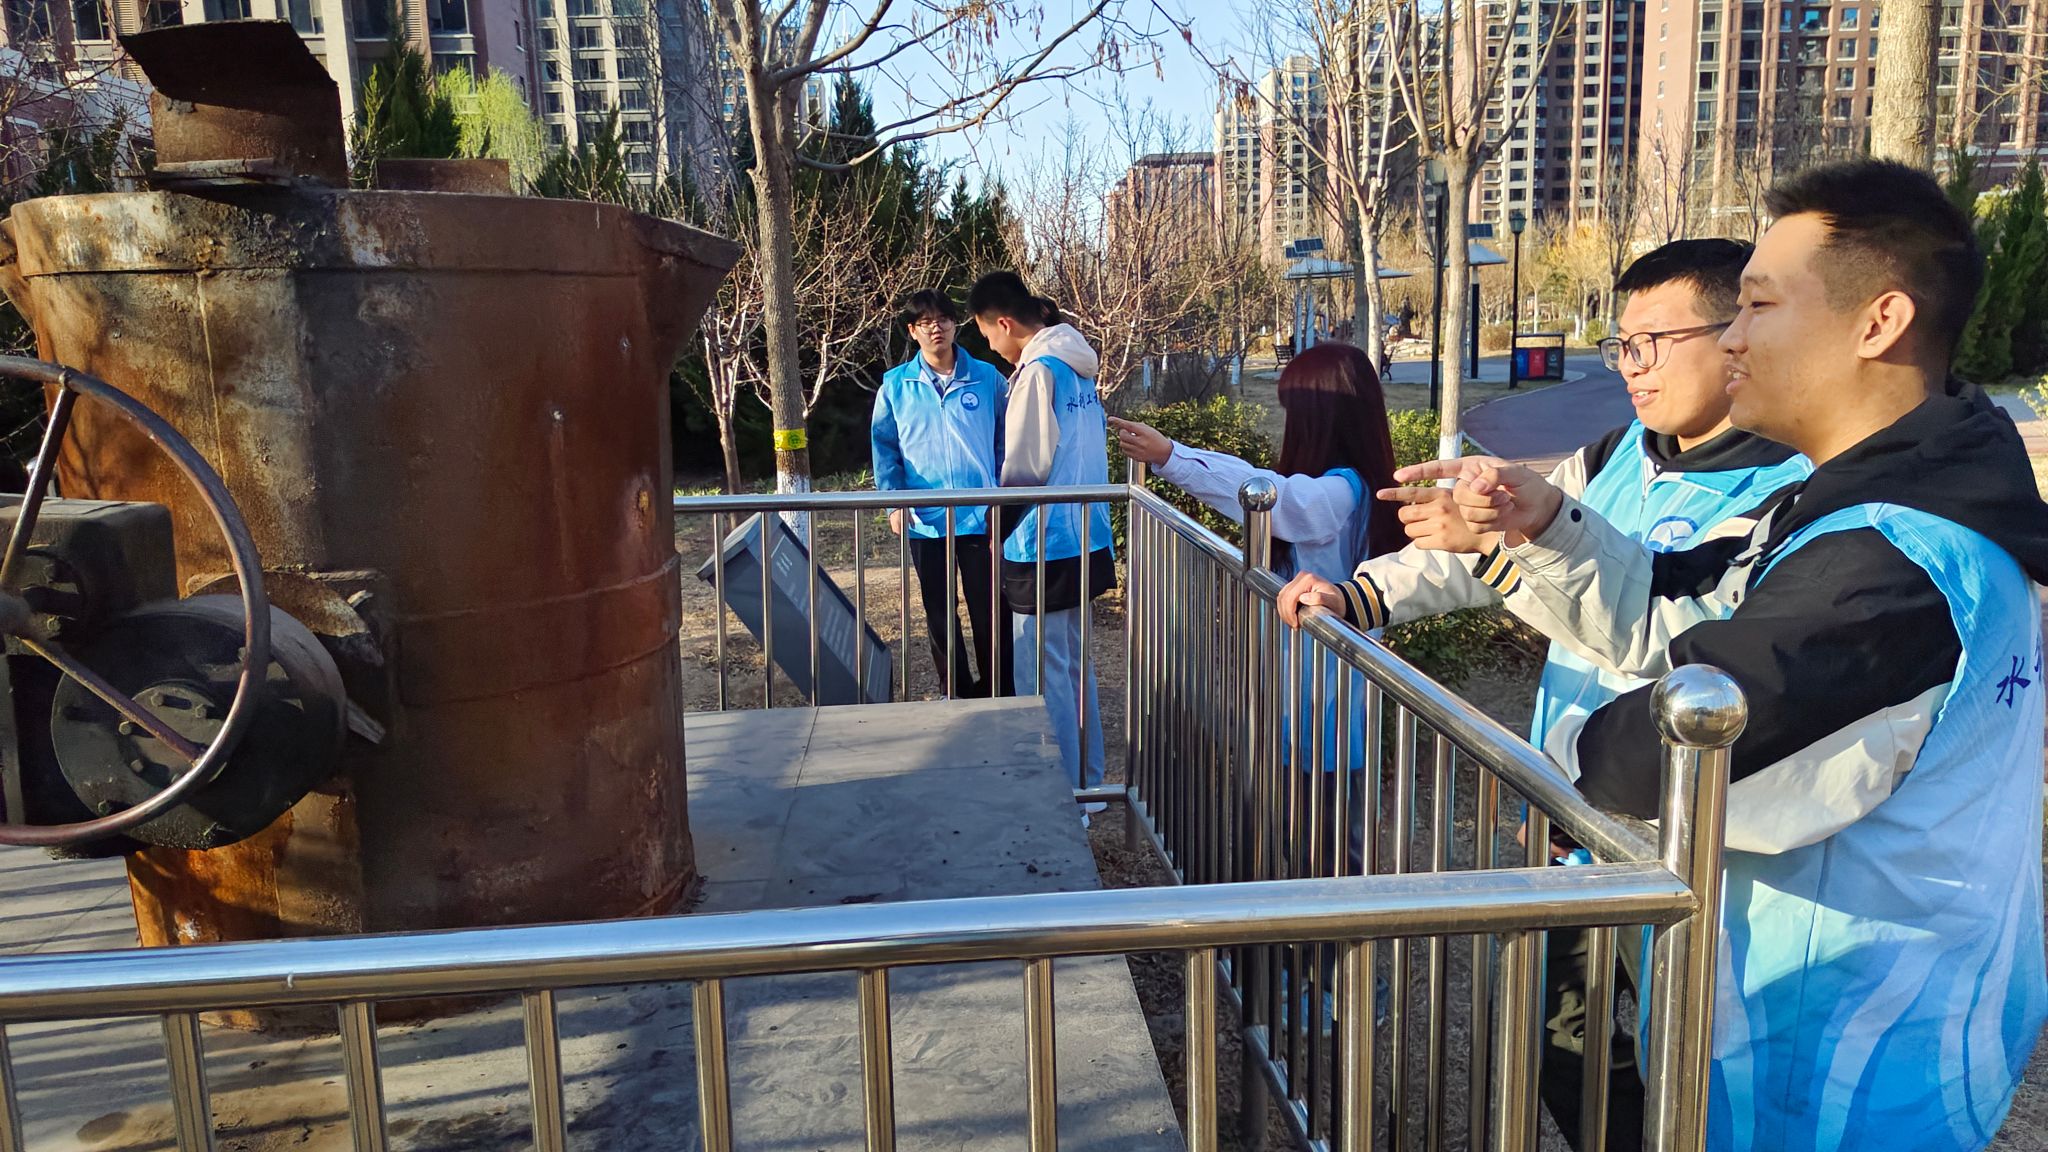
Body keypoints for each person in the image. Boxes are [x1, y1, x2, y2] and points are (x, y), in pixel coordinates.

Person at [1342, 160, 2048, 1152]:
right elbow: (1668, 604)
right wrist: (1540, 529)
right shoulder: (1876, 501)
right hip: (1810, 1023)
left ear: (1877, 322)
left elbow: (1663, 749)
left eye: (1757, 305)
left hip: (1837, 1060)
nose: (1736, 337)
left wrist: (1551, 769)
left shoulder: (1887, 563)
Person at [1280, 241, 1813, 1148]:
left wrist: (1513, 547)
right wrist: (1360, 593)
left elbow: (1671, 635)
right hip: (1579, 821)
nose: (1632, 367)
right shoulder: (1615, 456)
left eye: (1655, 342)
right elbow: (1482, 553)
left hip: (1690, 847)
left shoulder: (1790, 491)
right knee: (1555, 1038)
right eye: (1622, 345)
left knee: (1689, 1063)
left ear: (1739, 334)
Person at [968, 271, 1115, 802]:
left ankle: (1063, 794)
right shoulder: (1076, 366)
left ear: (1005, 323)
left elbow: (1026, 468)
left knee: (1044, 671)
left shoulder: (1037, 373)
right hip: (1086, 535)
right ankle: (1087, 782)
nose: (992, 347)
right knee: (1073, 666)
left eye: (988, 335)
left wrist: (996, 525)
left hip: (1043, 542)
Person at [871, 289, 1014, 698]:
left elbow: (1006, 440)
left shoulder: (987, 377)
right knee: (939, 609)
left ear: (955, 324)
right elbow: (885, 448)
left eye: (944, 319)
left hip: (980, 515)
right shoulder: (895, 385)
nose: (937, 328)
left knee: (990, 607)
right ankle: (955, 690)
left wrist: (1002, 495)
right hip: (926, 519)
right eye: (926, 322)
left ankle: (998, 690)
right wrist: (894, 503)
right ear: (912, 330)